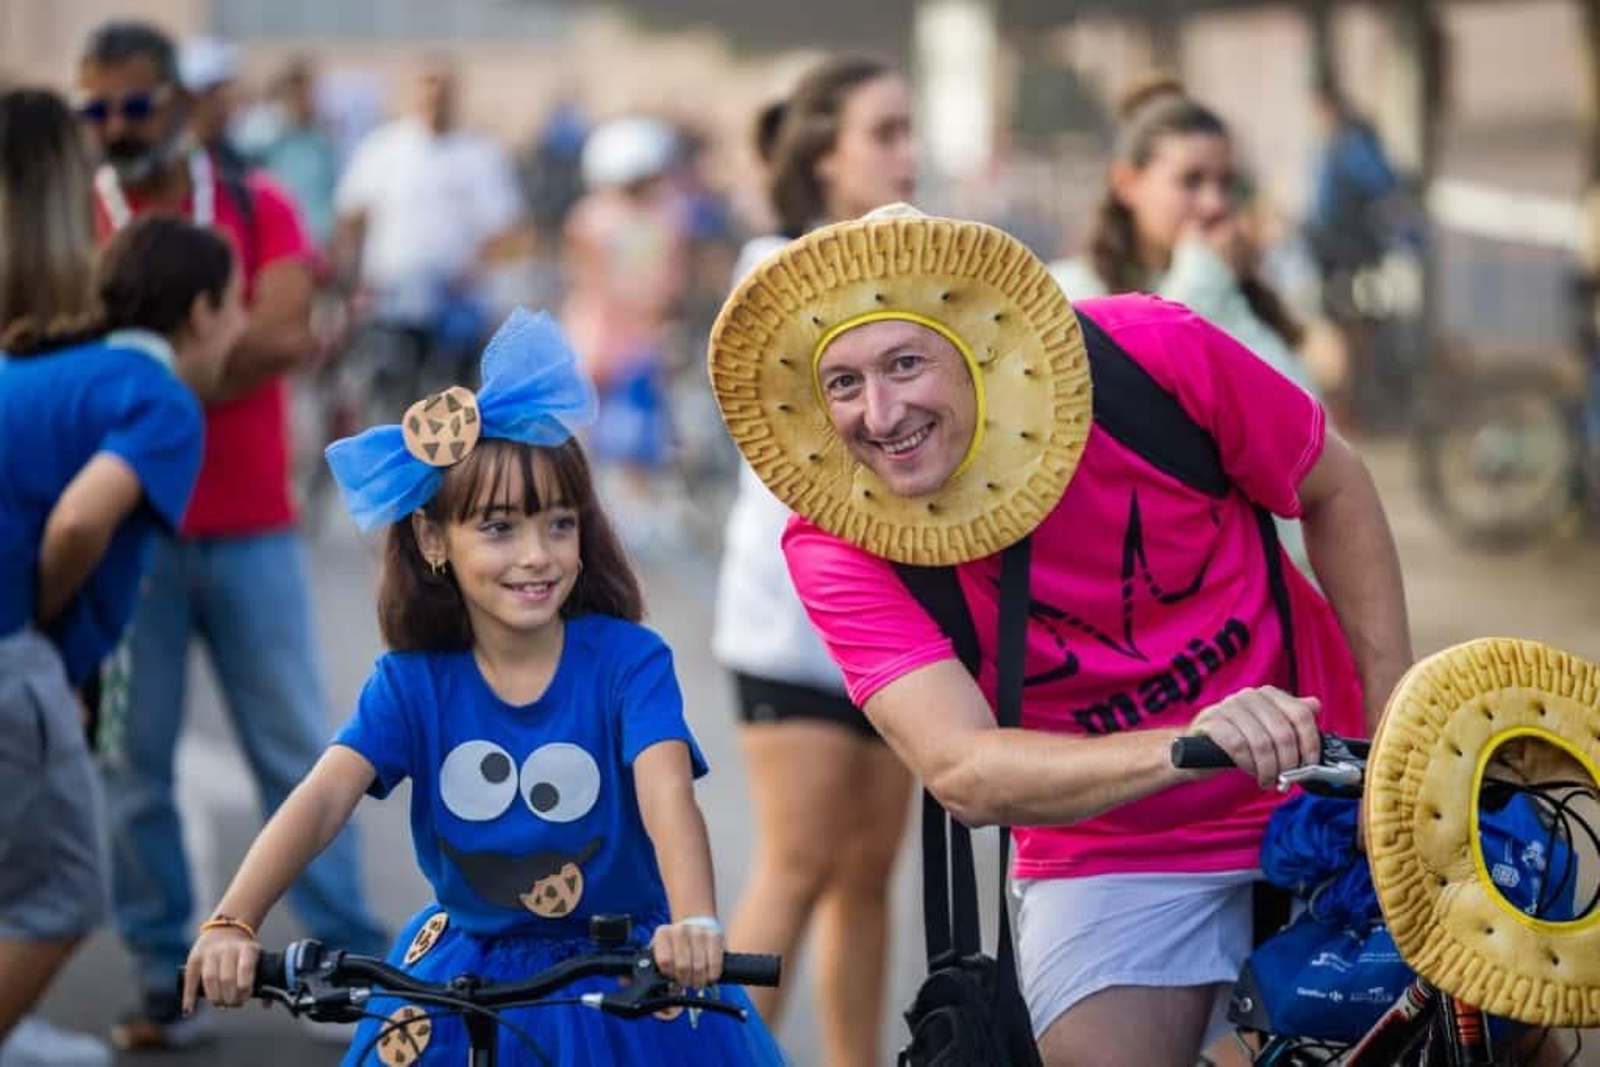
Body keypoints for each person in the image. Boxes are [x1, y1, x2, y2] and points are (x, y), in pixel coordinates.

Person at [708, 204, 1412, 1067]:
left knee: (1505, 1021)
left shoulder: (1145, 355)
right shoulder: (838, 538)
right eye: (844, 383)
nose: (882, 414)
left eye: (904, 363)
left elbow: (1332, 483)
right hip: (1111, 850)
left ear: (973, 345)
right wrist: (1194, 744)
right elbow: (963, 770)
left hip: (1330, 782)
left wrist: (1396, 745)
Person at [181, 309, 785, 1067]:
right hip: (463, 970)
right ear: (434, 541)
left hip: (622, 973)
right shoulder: (410, 684)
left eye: (559, 524)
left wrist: (694, 921)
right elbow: (323, 798)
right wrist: (233, 920)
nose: (536, 555)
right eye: (498, 527)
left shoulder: (629, 661)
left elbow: (668, 800)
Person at [74, 20, 390, 1049]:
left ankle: (346, 965)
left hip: (251, 523)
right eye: (96, 109)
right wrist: (211, 341)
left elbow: (290, 331)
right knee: (133, 765)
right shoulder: (78, 208)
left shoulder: (257, 202)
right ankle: (166, 978)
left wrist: (134, 353)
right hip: (134, 538)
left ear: (180, 101)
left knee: (302, 748)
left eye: (132, 104)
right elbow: (57, 339)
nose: (115, 127)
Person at [1, 128, 245, 1067]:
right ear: (199, 310)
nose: (240, 328)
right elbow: (75, 524)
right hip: (11, 642)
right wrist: (45, 635)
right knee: (63, 892)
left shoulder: (49, 362)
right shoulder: (161, 399)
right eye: (235, 307)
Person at [712, 57, 916, 1067]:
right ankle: (714, 1057)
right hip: (789, 626)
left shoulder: (914, 275)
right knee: (793, 865)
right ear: (823, 153)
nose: (907, 155)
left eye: (907, 130)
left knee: (870, 874)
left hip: (898, 623)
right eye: (885, 133)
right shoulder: (769, 270)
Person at [1049, 81, 1318, 576]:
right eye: (1191, 182)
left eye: (1226, 183)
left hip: (1270, 580)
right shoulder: (1071, 293)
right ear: (1127, 184)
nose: (1214, 204)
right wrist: (1201, 283)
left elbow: (1301, 430)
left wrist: (1222, 289)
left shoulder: (1235, 288)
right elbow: (1144, 408)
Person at [332, 58, 524, 390]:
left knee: (450, 411)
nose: (435, 99)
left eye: (443, 90)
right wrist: (349, 281)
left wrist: (472, 268)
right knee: (391, 399)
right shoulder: (383, 148)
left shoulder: (479, 154)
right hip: (391, 303)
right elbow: (351, 215)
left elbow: (508, 229)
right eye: (428, 89)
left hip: (456, 307)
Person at [559, 115, 690, 555]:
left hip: (641, 340)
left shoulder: (665, 213)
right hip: (599, 336)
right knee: (589, 429)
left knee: (638, 431)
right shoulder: (594, 218)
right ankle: (583, 513)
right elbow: (592, 277)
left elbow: (669, 274)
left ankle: (629, 515)